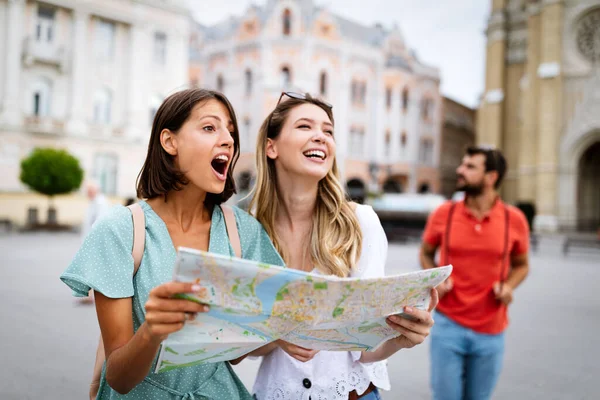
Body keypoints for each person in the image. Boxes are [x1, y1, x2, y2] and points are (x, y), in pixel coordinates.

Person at [60, 88, 283, 399]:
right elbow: (120, 379)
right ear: (169, 141)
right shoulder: (121, 230)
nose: (229, 140)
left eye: (231, 131)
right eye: (209, 127)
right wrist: (151, 331)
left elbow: (233, 354)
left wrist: (276, 328)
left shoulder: (243, 231)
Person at [246, 92, 438, 400]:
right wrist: (277, 336)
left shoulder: (360, 222)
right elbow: (239, 348)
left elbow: (366, 348)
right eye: (305, 127)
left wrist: (402, 338)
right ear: (272, 147)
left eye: (328, 131)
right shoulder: (250, 230)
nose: (321, 137)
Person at [420, 147, 530, 400]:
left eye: (470, 167)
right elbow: (426, 252)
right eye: (462, 164)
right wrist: (437, 279)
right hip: (448, 326)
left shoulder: (514, 219)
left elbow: (522, 264)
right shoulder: (444, 214)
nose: (460, 170)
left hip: (492, 329)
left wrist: (509, 286)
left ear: (491, 177)